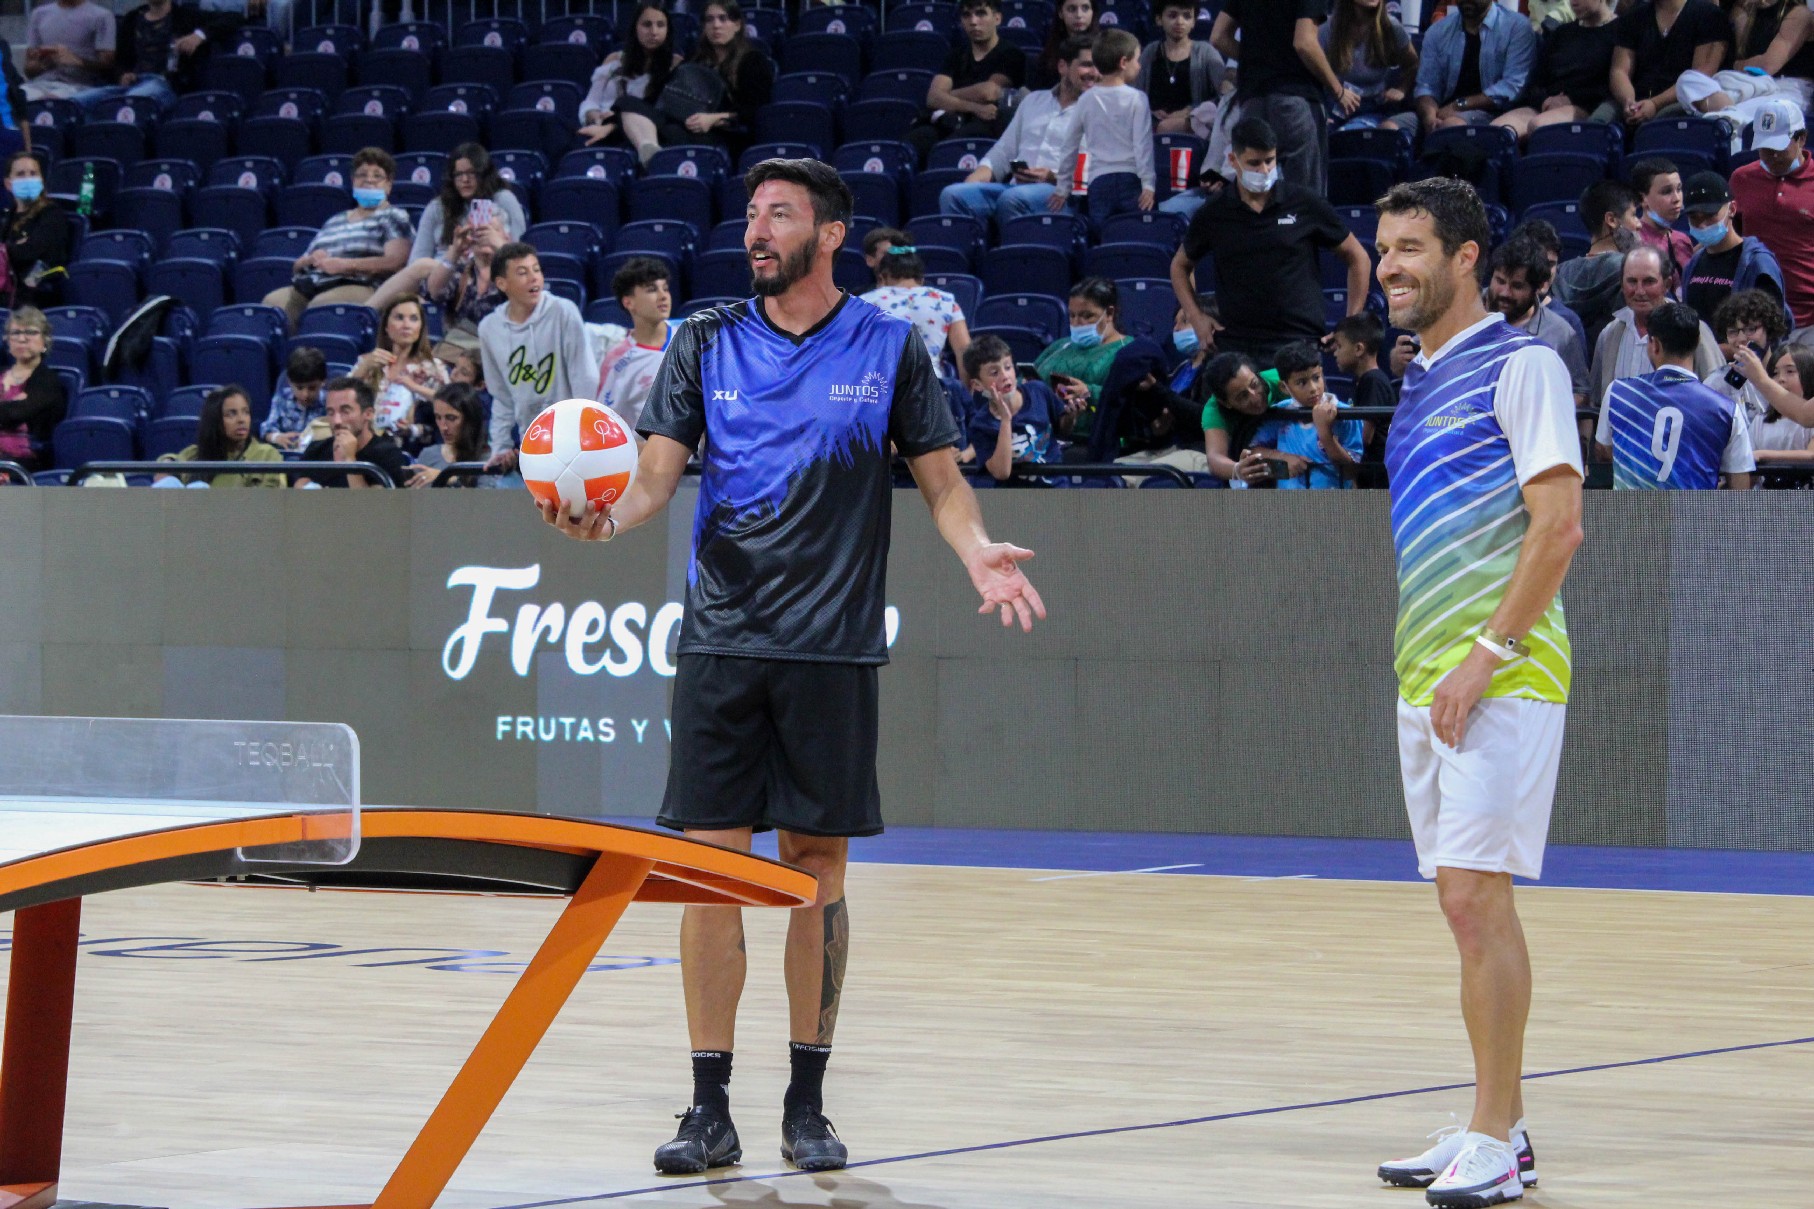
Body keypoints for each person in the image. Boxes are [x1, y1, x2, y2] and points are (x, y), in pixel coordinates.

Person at [538, 157, 1044, 1178]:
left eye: (778, 216)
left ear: (828, 237)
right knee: (708, 875)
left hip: (831, 648)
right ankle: (707, 1106)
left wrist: (976, 548)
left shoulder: (890, 347)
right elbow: (651, 476)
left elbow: (943, 487)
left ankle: (806, 1105)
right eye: (751, 215)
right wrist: (605, 523)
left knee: (815, 876)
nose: (753, 231)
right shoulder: (704, 340)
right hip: (723, 644)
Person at [1371, 177, 1582, 1207]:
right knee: (1461, 909)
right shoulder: (1415, 378)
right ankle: (1490, 1125)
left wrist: (1482, 658)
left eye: (1411, 247)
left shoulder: (1523, 362)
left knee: (1472, 897)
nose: (1390, 266)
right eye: (1381, 249)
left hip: (1500, 673)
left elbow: (1557, 529)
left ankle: (1494, 1136)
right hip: (1430, 676)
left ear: (1464, 260)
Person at [1172, 117, 1371, 364]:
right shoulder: (1214, 213)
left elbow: (1358, 257)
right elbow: (1179, 266)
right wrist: (1196, 317)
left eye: (1270, 161)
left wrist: (1350, 323)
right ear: (1233, 161)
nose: (1264, 170)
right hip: (1237, 346)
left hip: (1299, 343)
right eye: (1254, 163)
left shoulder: (1305, 203)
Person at [940, 35, 1097, 233]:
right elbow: (1004, 151)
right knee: (953, 195)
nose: (1095, 73)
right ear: (1063, 67)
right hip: (1016, 189)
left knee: (1012, 199)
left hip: (1062, 195)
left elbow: (1097, 173)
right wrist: (978, 175)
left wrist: (1051, 177)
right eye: (1087, 65)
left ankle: (1014, 259)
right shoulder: (1033, 101)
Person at [1592, 299, 1753, 488]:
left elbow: (1603, 449)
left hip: (1631, 516)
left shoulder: (1617, 392)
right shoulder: (1726, 409)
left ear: (1654, 345)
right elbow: (1740, 486)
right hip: (1694, 517)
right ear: (1696, 344)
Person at [480, 242, 602, 476]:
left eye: (536, 270)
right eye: (522, 272)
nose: (534, 278)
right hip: (533, 444)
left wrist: (582, 438)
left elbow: (584, 378)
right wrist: (501, 447)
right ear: (502, 283)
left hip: (573, 441)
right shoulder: (489, 328)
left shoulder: (563, 311)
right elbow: (501, 396)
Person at [366, 145, 527, 318]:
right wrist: (453, 255)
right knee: (419, 277)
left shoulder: (503, 199)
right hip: (442, 275)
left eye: (471, 173)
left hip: (485, 270)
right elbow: (417, 257)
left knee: (423, 268)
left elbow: (521, 250)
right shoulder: (438, 206)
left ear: (484, 174)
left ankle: (364, 313)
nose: (465, 180)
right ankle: (365, 314)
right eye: (459, 174)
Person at [263, 147, 414, 331]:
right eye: (362, 175)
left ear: (389, 184)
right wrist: (311, 260)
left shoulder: (394, 216)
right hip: (313, 283)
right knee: (271, 304)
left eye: (377, 176)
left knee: (321, 307)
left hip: (361, 284)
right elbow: (297, 266)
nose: (369, 180)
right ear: (353, 181)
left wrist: (345, 265)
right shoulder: (335, 220)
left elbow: (396, 262)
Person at [1210, 0, 1351, 194]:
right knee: (1305, 201)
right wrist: (1339, 91)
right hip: (1295, 100)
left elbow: (1219, 37)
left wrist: (1259, 62)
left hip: (1253, 101)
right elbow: (1305, 43)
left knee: (1256, 198)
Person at [618, 0, 775, 165]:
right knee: (626, 103)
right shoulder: (696, 58)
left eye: (723, 19)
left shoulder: (753, 61)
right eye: (710, 20)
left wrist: (713, 119)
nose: (716, 25)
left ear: (737, 25)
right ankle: (648, 150)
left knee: (659, 133)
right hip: (681, 122)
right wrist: (612, 124)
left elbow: (756, 110)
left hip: (722, 134)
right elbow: (661, 94)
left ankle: (654, 159)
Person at [1590, 244, 1724, 404]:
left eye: (1648, 282)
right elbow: (1597, 400)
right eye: (1632, 281)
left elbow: (1719, 396)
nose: (1639, 291)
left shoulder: (1693, 330)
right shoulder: (1610, 335)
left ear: (1667, 284)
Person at [1673, 0, 1814, 144]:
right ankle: (1729, 118)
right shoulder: (1745, 11)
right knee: (1687, 80)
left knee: (1765, 111)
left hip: (1787, 89)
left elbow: (1768, 66)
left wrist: (1736, 65)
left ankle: (1727, 120)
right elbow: (1741, 57)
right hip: (1749, 83)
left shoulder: (1799, 13)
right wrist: (1741, 17)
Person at [1050, 29, 1154, 223]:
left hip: (1098, 182)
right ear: (1123, 62)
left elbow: (1069, 145)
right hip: (1131, 180)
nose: (1139, 66)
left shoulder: (1085, 99)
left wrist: (1063, 188)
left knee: (1103, 236)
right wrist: (1148, 184)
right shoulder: (1138, 99)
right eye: (1137, 60)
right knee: (1133, 233)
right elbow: (1143, 145)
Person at [1730, 98, 1814, 330]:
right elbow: (1730, 236)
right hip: (1758, 315)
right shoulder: (1741, 178)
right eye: (1766, 148)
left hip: (1809, 315)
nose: (1772, 155)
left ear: (1801, 139)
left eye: (1779, 147)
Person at [907, 0, 1027, 160]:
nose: (973, 21)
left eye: (981, 13)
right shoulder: (956, 54)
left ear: (997, 18)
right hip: (951, 119)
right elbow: (933, 98)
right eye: (967, 15)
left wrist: (946, 95)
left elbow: (988, 93)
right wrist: (973, 107)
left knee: (947, 150)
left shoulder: (1011, 54)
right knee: (912, 143)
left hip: (986, 123)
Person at [1492, 0, 1620, 142]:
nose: (1573, 2)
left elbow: (1615, 83)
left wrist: (1570, 99)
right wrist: (1545, 100)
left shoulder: (1620, 31)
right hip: (1547, 103)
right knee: (1497, 132)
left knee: (1539, 126)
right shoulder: (1561, 33)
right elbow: (1536, 80)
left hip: (1587, 106)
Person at [1679, 169, 1788, 329]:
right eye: (1694, 218)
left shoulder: (1757, 264)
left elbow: (1769, 332)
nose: (1702, 224)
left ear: (1732, 209)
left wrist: (1711, 350)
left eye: (1710, 216)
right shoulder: (1693, 263)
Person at [1487, 238, 1590, 406]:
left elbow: (1580, 392)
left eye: (1517, 286)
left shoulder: (1561, 333)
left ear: (1537, 288)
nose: (1505, 292)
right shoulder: (1466, 315)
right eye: (1500, 281)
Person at [1413, 0, 1538, 133]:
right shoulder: (1437, 31)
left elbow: (1512, 87)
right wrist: (1430, 117)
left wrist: (1459, 105)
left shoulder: (1516, 26)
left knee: (1451, 127)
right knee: (1393, 128)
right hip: (1441, 111)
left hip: (1493, 113)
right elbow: (1426, 86)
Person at [73, 0, 211, 117]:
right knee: (73, 103)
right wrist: (123, 74)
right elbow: (120, 61)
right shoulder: (132, 18)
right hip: (133, 83)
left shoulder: (186, 16)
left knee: (129, 104)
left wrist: (199, 35)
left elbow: (231, 19)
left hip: (166, 84)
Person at [1033, 277, 1131, 441]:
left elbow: (1130, 402)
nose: (1077, 323)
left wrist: (1089, 392)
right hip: (1043, 436)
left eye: (1087, 316)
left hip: (1094, 443)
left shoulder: (1129, 351)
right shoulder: (1060, 346)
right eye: (1072, 315)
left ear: (1109, 313)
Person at [1609, 0, 1732, 126]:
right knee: (1601, 120)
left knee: (1659, 124)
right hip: (1637, 98)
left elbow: (1700, 76)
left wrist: (1655, 103)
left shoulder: (1709, 16)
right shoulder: (1634, 16)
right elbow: (1619, 70)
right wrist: (1629, 101)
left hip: (1681, 102)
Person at [1551, 179, 1643, 346]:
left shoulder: (1560, 272)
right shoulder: (1632, 271)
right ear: (1612, 220)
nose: (1639, 224)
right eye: (1634, 215)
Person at [1263, 340, 1363, 488]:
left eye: (1316, 378)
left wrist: (1325, 434)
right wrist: (1283, 460)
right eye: (1301, 382)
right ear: (1284, 387)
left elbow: (1351, 472)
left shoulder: (1345, 414)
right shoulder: (1278, 413)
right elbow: (1254, 454)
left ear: (1322, 373)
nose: (1313, 388)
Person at [964, 333, 1064, 479]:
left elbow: (1063, 429)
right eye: (994, 372)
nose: (1005, 376)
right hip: (1014, 497)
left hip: (1058, 491)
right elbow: (1001, 473)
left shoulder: (1038, 390)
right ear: (977, 385)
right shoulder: (981, 425)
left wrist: (1072, 415)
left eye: (1008, 367)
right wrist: (1005, 420)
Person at [859, 243, 970, 373]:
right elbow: (964, 351)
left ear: (882, 277)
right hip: (931, 384)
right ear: (922, 279)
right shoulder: (946, 301)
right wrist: (966, 392)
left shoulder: (864, 302)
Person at [579, 3, 680, 146]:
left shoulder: (675, 65)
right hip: (599, 124)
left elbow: (662, 115)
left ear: (668, 30)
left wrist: (613, 122)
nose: (654, 31)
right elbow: (591, 101)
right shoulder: (614, 59)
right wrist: (596, 117)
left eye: (660, 25)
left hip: (637, 134)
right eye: (647, 24)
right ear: (635, 28)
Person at [354, 295, 448, 444]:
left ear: (421, 327)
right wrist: (362, 370)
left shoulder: (434, 369)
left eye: (413, 319)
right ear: (385, 326)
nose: (406, 325)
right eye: (399, 318)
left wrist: (412, 428)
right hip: (365, 441)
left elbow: (448, 408)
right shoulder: (367, 362)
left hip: (412, 444)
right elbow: (341, 400)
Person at [597, 256, 677, 429]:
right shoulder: (617, 362)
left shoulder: (690, 335)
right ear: (629, 302)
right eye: (651, 290)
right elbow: (604, 425)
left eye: (665, 288)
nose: (663, 296)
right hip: (644, 453)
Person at [154, 385, 285, 488]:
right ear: (215, 420)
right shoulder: (195, 454)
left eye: (246, 412)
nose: (242, 420)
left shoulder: (267, 455)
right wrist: (167, 466)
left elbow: (270, 501)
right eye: (231, 414)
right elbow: (170, 461)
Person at [1321, 0, 1419, 134]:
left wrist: (1402, 89)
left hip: (1373, 108)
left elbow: (1412, 64)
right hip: (1334, 107)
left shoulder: (1390, 27)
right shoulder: (1329, 28)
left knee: (1347, 134)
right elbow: (1311, 72)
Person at [295, 376, 411, 489]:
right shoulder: (316, 450)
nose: (337, 421)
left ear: (368, 414)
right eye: (331, 412)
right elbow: (297, 490)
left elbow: (373, 507)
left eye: (345, 411)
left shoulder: (388, 455)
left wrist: (350, 460)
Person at [1197, 350, 1291, 483]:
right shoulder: (1214, 410)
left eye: (1254, 384)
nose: (1255, 397)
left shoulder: (1283, 380)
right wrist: (1237, 469)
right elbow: (1215, 458)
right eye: (1242, 396)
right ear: (1226, 403)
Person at [1138, 0, 1226, 136]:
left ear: (1194, 22)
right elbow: (1136, 94)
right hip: (1152, 128)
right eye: (1172, 16)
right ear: (1159, 19)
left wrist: (1192, 111)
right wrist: (1149, 111)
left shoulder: (1206, 52)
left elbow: (1224, 96)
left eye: (1186, 16)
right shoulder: (1150, 52)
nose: (1180, 21)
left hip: (1194, 130)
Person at [0, 151, 68, 310]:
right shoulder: (7, 217)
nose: (28, 178)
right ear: (8, 184)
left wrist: (9, 249)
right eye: (21, 174)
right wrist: (15, 247)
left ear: (41, 181)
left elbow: (30, 250)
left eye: (33, 173)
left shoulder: (52, 214)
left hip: (37, 295)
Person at [0, 306, 64, 471]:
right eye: (15, 333)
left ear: (45, 341)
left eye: (31, 332)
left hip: (25, 462)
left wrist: (12, 409)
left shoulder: (48, 381)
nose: (22, 339)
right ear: (7, 340)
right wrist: (13, 405)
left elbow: (18, 412)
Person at [23, 0, 114, 102]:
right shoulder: (39, 14)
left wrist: (77, 61)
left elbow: (108, 66)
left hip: (77, 86)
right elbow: (28, 70)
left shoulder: (101, 16)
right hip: (39, 84)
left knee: (51, 103)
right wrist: (43, 65)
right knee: (13, 98)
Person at [407, 382, 491, 488]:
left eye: (451, 418)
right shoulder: (428, 455)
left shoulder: (487, 461)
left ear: (470, 419)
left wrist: (446, 478)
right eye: (438, 417)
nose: (443, 427)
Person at [1745, 343, 1814, 472]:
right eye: (1775, 373)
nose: (1781, 379)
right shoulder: (1760, 421)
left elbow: (1811, 455)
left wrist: (1763, 455)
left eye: (1790, 371)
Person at [1630, 157, 1694, 285]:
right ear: (1643, 199)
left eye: (1679, 189)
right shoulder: (1631, 241)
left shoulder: (1682, 240)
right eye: (1666, 192)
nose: (1676, 199)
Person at [260, 345, 329, 451]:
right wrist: (276, 437)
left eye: (312, 388)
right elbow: (266, 429)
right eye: (299, 388)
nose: (305, 394)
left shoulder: (329, 402)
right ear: (289, 381)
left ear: (323, 382)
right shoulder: (282, 398)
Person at [1030, 0, 1097, 91]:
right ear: (1061, 13)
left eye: (1085, 8)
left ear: (1092, 12)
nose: (1079, 15)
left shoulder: (1104, 49)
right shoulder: (1047, 58)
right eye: (1071, 9)